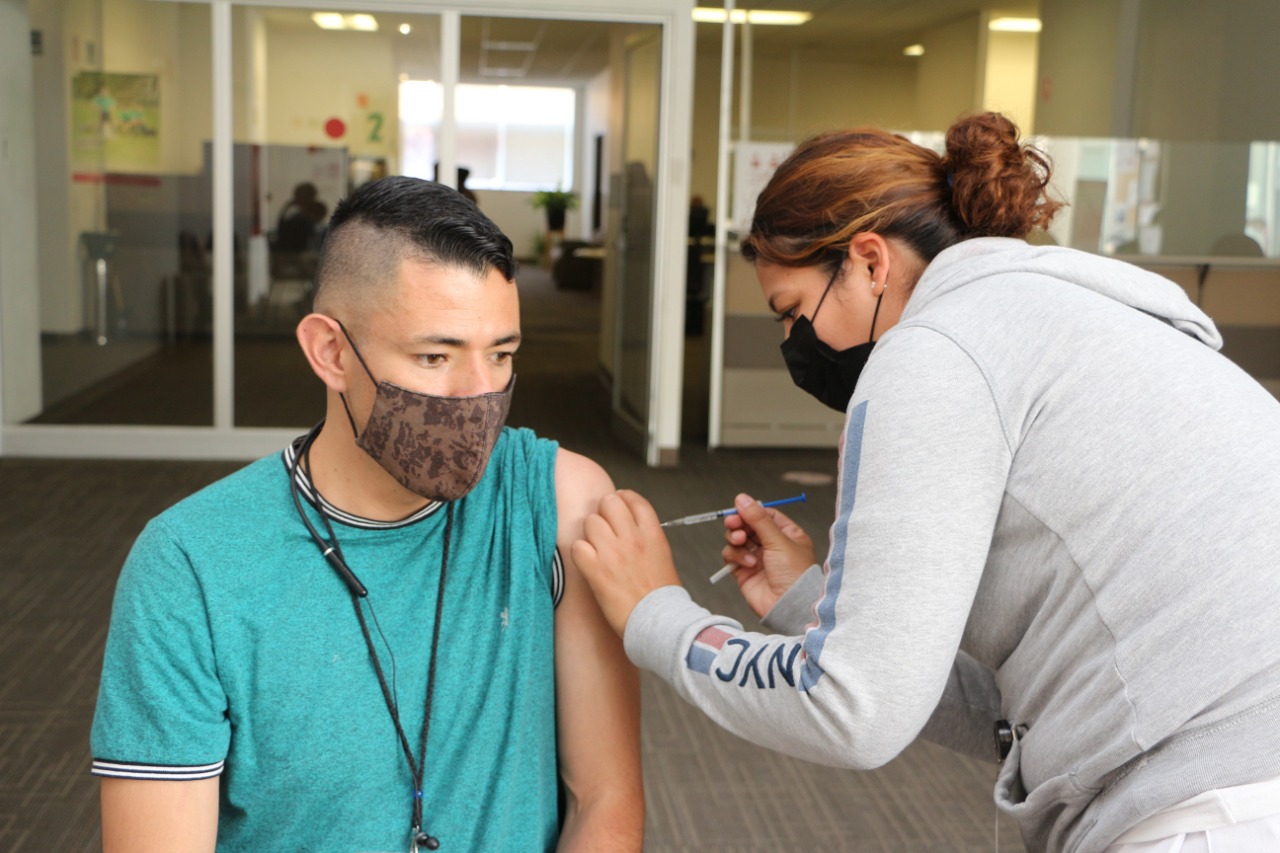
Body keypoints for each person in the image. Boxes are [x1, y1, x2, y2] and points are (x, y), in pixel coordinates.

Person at [571, 113, 1280, 853]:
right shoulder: (1077, 315)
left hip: (1213, 812)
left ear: (871, 261)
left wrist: (656, 615)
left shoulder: (937, 354)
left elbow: (853, 710)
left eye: (793, 313)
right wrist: (806, 603)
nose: (792, 344)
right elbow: (1012, 710)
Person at [91, 176, 643, 852]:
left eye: (501, 354)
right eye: (434, 356)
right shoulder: (190, 563)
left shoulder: (554, 505)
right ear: (330, 352)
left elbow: (606, 800)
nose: (480, 396)